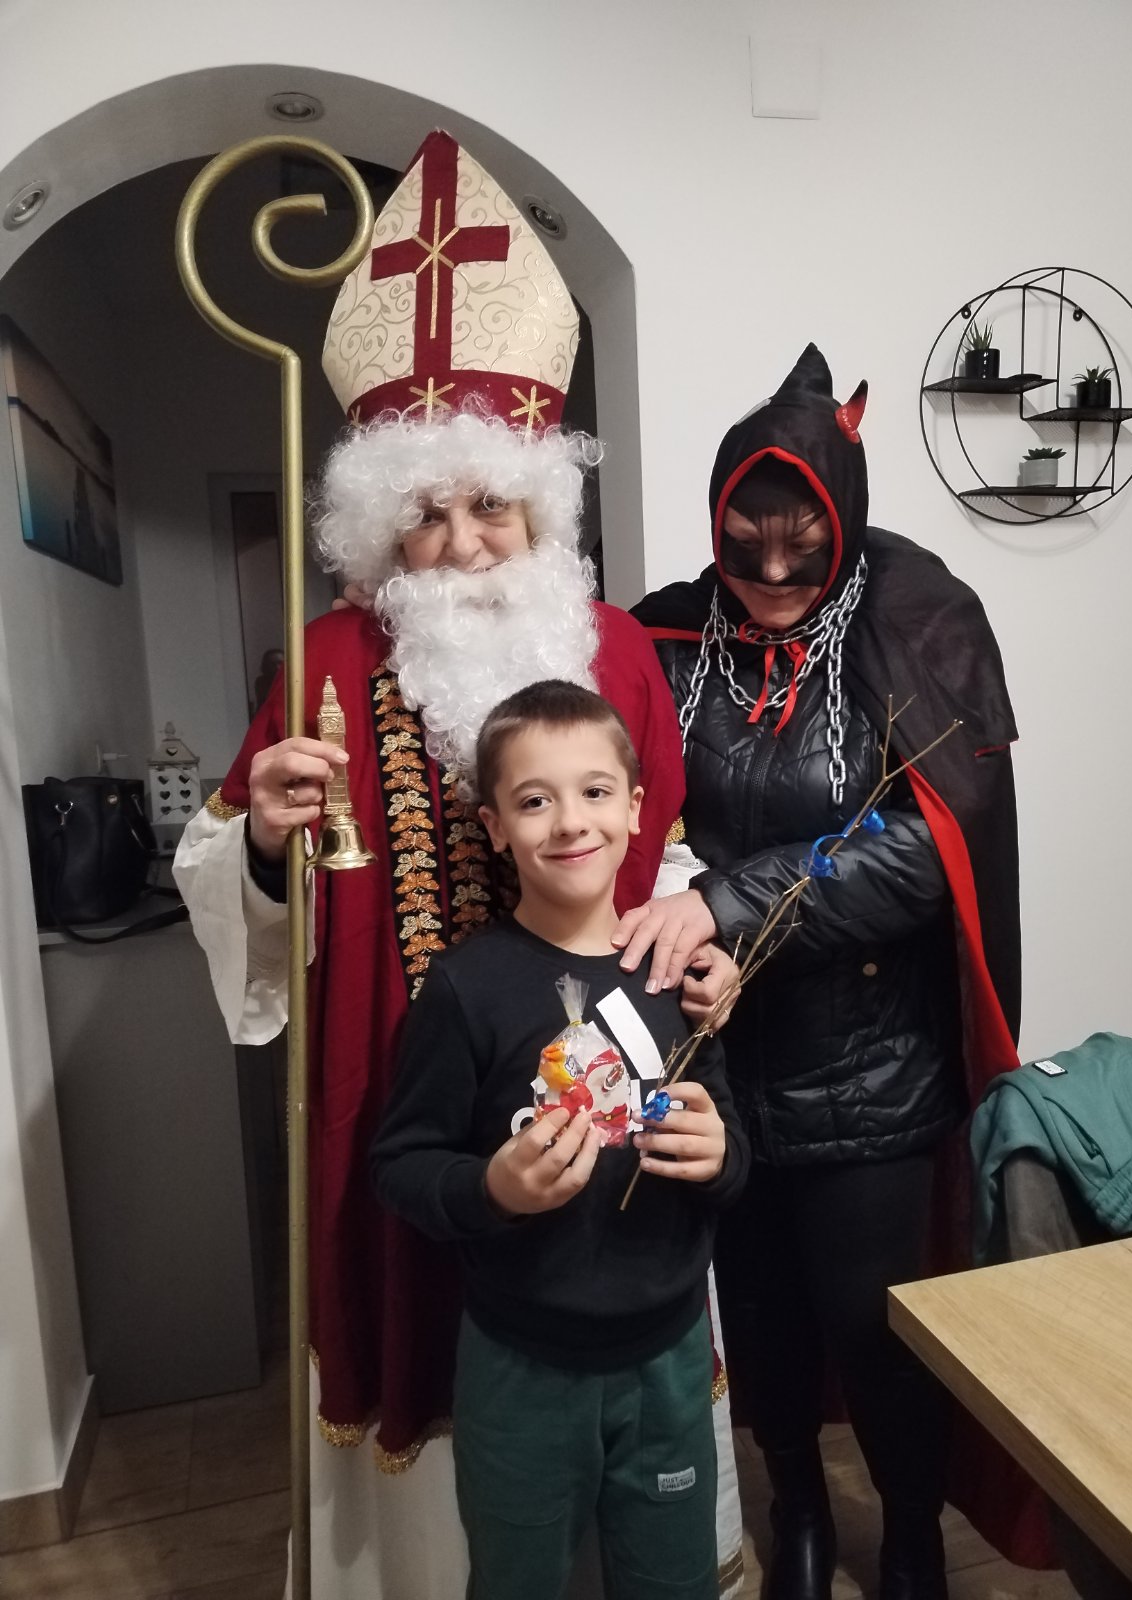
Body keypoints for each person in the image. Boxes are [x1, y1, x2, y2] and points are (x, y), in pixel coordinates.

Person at [174, 131, 743, 1600]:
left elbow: (671, 845)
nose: (465, 541)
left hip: (615, 1122)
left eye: (491, 502)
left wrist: (691, 912)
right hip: (402, 1087)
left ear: (539, 504)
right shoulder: (318, 661)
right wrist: (266, 838)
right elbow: (222, 867)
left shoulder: (615, 650)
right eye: (424, 511)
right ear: (380, 526)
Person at [618, 344, 1024, 1600]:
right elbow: (609, 809)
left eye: (805, 548)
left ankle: (909, 1530)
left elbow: (930, 845)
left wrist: (728, 899)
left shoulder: (918, 621)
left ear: (844, 525)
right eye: (747, 548)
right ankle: (796, 1507)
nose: (778, 576)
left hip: (870, 1060)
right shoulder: (666, 636)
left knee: (874, 1322)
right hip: (715, 1055)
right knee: (761, 1318)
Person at [371, 680, 749, 1600]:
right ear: (495, 827)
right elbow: (402, 1165)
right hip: (519, 1367)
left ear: (636, 808)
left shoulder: (676, 974)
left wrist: (722, 1157)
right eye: (535, 800)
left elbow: (733, 1141)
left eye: (594, 791)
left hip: (668, 1363)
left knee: (675, 1582)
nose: (571, 821)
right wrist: (492, 1190)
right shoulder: (465, 989)